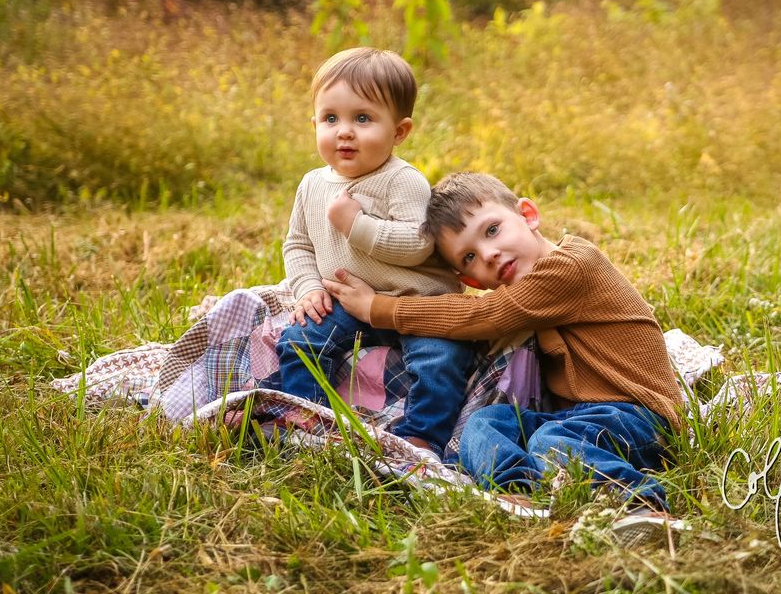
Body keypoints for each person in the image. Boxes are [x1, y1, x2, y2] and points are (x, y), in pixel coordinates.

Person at [322, 172, 684, 530]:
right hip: (586, 419)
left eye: (492, 230)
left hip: (643, 415)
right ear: (472, 281)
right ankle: (519, 493)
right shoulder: (529, 288)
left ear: (528, 215)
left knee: (551, 440)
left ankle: (640, 506)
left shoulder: (570, 266)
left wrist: (379, 309)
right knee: (484, 424)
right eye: (469, 257)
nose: (489, 254)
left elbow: (486, 315)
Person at [269, 47, 475, 461]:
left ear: (399, 132)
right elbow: (298, 244)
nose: (344, 131)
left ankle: (421, 438)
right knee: (300, 339)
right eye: (331, 119)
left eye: (362, 119)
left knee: (441, 359)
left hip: (416, 302)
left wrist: (355, 225)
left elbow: (419, 243)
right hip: (347, 300)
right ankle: (305, 419)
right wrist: (309, 287)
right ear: (314, 124)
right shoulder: (312, 184)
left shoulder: (402, 181)